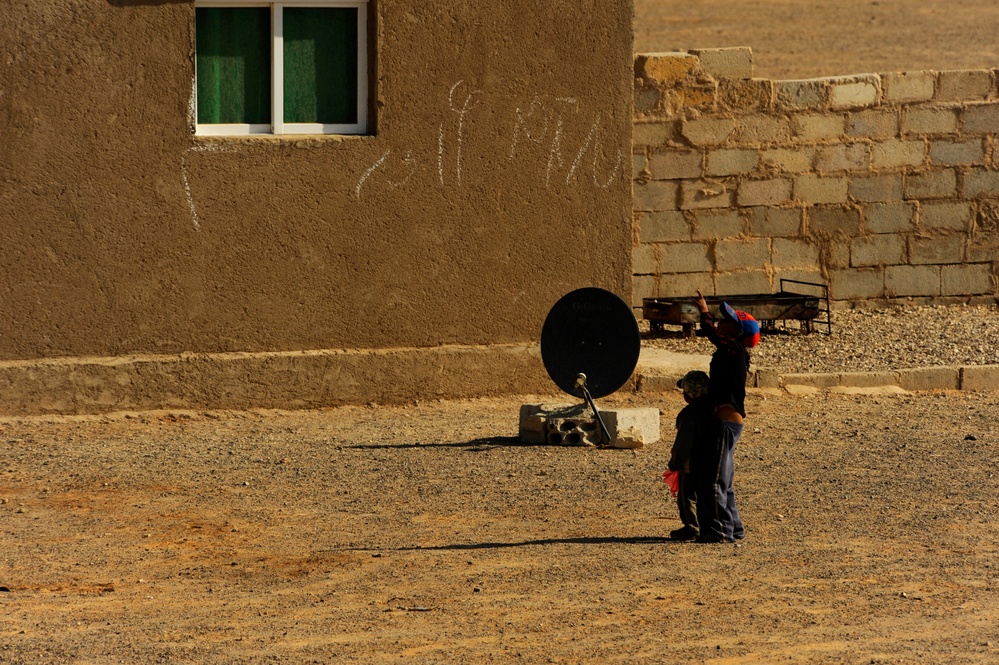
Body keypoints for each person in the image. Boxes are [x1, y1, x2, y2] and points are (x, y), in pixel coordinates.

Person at [691, 291, 760, 543]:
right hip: (724, 423)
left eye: (727, 321)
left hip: (725, 425)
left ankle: (719, 531)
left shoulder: (733, 349)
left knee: (712, 479)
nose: (721, 322)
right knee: (723, 479)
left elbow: (712, 333)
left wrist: (704, 312)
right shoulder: (731, 352)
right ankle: (734, 528)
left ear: (737, 331)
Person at [666, 370, 712, 541]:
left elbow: (683, 442)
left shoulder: (688, 415)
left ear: (688, 394)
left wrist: (675, 462)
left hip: (689, 463)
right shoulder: (712, 410)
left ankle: (691, 526)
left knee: (687, 496)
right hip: (708, 460)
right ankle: (704, 523)